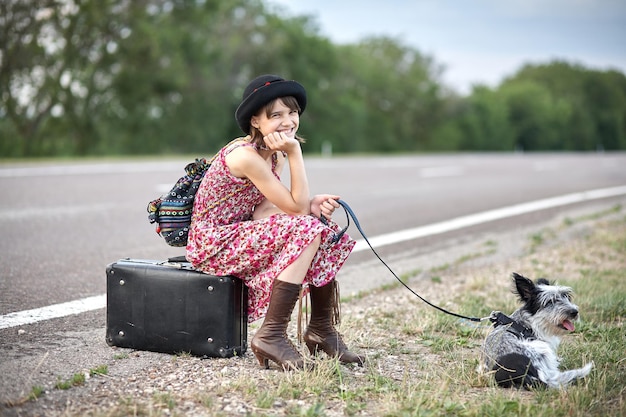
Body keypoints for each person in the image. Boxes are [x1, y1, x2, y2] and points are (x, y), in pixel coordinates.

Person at [186, 74, 364, 370]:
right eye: (276, 115)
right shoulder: (245, 156)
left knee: (322, 227)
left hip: (239, 232)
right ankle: (271, 335)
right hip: (212, 242)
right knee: (307, 228)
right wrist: (295, 153)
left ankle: (321, 331)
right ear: (256, 121)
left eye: (292, 112)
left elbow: (266, 209)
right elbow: (292, 211)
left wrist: (310, 205)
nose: (288, 121)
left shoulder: (272, 155)